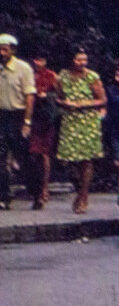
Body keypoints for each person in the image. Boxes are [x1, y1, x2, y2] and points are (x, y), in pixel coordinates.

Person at [56, 49, 106, 214]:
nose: (82, 63)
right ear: (71, 60)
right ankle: (79, 190)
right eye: (78, 60)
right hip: (70, 120)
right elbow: (58, 97)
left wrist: (82, 104)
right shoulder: (62, 76)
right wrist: (65, 103)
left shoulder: (92, 76)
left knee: (86, 160)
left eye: (84, 59)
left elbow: (102, 99)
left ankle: (83, 196)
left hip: (87, 121)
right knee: (69, 159)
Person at [0, 33, 35, 210]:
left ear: (12, 50)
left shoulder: (23, 68)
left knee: (23, 156)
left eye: (5, 49)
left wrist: (27, 121)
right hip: (1, 115)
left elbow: (29, 96)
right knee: (0, 158)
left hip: (17, 115)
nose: (1, 53)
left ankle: (36, 192)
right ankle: (4, 197)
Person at [26, 54, 58, 210]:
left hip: (45, 119)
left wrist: (47, 96)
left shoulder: (52, 76)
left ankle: (44, 188)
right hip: (32, 118)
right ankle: (36, 190)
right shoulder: (30, 75)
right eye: (35, 59)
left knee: (44, 154)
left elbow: (60, 96)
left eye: (40, 59)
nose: (37, 62)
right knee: (32, 154)